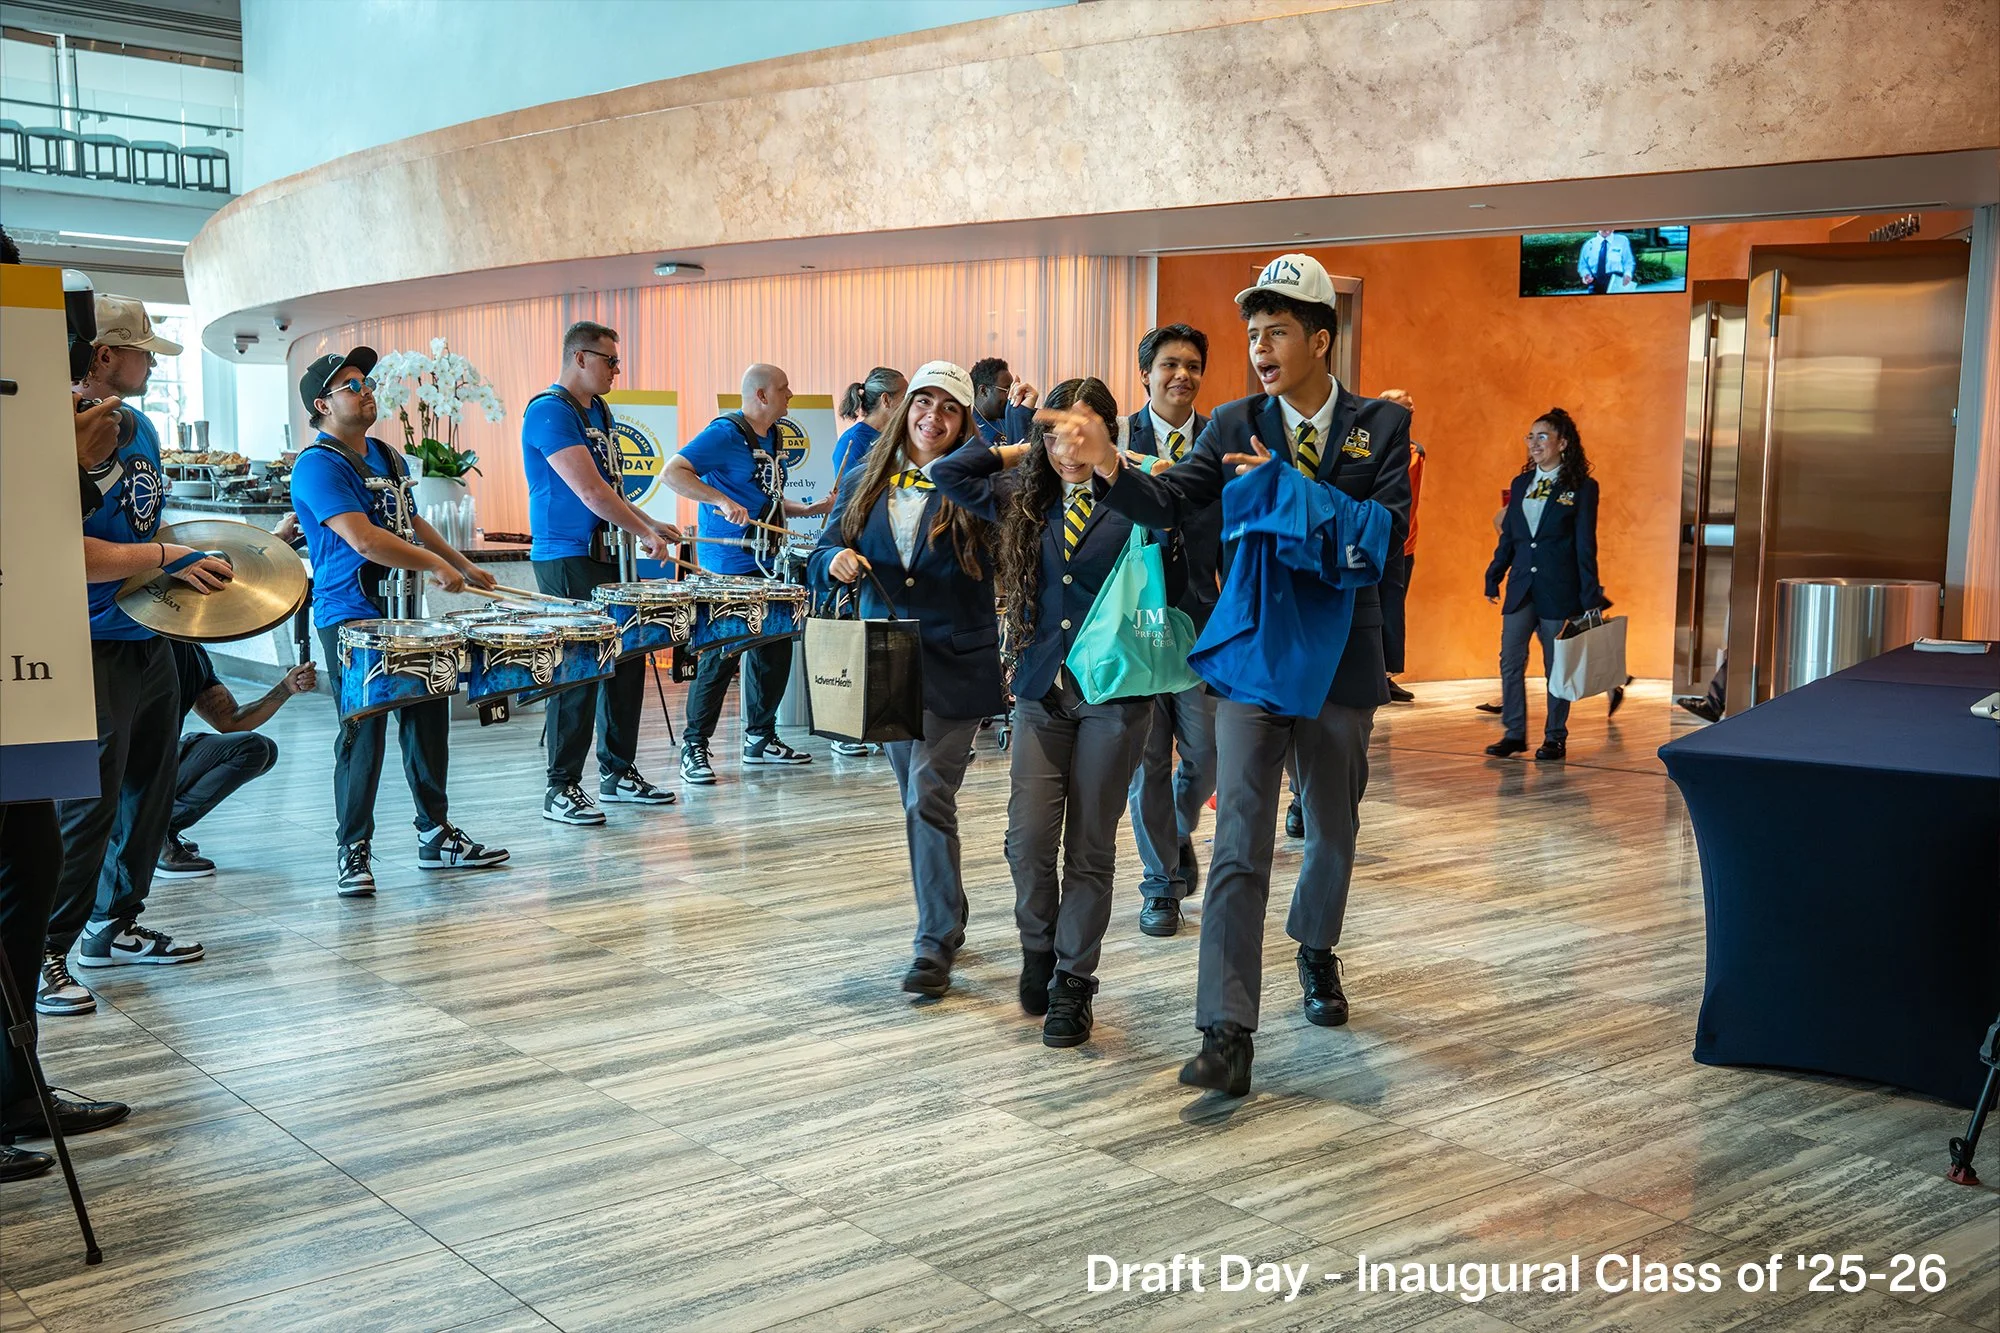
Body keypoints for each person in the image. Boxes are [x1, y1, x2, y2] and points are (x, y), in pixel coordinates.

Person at [1039, 254, 1408, 1097]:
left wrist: (1280, 489)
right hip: (1249, 654)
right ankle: (1225, 1030)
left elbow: (1380, 536)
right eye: (1252, 334)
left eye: (1276, 331)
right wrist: (1110, 469)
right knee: (1240, 839)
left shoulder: (1380, 428)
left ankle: (1315, 948)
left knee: (1331, 831)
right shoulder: (1231, 422)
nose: (1260, 348)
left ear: (1321, 336)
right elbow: (1173, 505)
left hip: (1345, 658)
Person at [933, 378, 1176, 1046]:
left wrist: (1110, 462)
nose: (1068, 445)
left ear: (1106, 432)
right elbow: (946, 470)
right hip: (1042, 690)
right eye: (1056, 432)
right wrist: (1022, 448)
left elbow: (1173, 515)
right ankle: (1039, 946)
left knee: (1090, 847)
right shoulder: (1022, 495)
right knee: (1028, 840)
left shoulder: (1135, 495)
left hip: (1116, 695)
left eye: (1083, 429)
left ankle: (1074, 980)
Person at [46, 295, 232, 1005]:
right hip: (87, 640)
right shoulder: (56, 428)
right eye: (143, 351)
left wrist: (184, 557)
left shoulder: (143, 427)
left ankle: (112, 923)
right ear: (103, 355)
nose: (152, 363)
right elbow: (68, 549)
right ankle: (45, 951)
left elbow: (142, 519)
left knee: (147, 794)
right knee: (83, 807)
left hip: (147, 634)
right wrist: (165, 554)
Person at [810, 362, 1003, 1000]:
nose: (932, 417)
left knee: (927, 792)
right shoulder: (866, 474)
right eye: (923, 403)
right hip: (886, 655)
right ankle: (949, 908)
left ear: (963, 421)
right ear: (902, 410)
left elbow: (1010, 546)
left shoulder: (980, 483)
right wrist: (832, 558)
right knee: (917, 800)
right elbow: (820, 546)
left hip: (956, 657)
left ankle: (935, 939)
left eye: (949, 408)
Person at [2, 260, 135, 1174]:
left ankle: (16, 1093)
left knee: (32, 859)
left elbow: (31, 518)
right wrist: (70, 460)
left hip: (24, 668)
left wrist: (68, 461)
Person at [290, 347, 509, 897]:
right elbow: (363, 537)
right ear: (323, 404)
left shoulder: (388, 456)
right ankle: (353, 849)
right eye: (351, 385)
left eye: (366, 381)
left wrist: (461, 563)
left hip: (406, 612)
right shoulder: (317, 465)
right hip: (352, 617)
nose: (366, 390)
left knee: (428, 721)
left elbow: (410, 523)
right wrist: (437, 565)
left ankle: (435, 835)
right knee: (363, 733)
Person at [522, 320, 683, 825]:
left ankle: (618, 770)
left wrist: (649, 523)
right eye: (611, 360)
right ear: (580, 358)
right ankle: (562, 786)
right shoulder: (549, 411)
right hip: (568, 557)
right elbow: (587, 491)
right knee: (578, 666)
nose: (617, 369)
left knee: (628, 658)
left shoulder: (600, 410)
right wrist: (646, 532)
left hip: (612, 553)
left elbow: (611, 487)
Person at [663, 364, 833, 784]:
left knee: (774, 651)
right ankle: (695, 747)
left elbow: (764, 500)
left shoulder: (774, 436)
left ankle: (759, 738)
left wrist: (809, 510)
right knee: (722, 657)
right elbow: (672, 473)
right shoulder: (724, 433)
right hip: (730, 567)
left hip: (768, 562)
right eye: (783, 388)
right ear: (760, 395)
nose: (791, 395)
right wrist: (719, 500)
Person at [1116, 324, 1217, 939]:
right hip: (1134, 625)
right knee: (1147, 760)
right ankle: (1160, 885)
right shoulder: (1117, 439)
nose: (1183, 375)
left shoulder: (1221, 438)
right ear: (1146, 375)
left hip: (1204, 623)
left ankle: (1178, 831)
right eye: (1171, 365)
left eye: (1194, 365)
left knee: (1208, 757)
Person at [1483, 408, 1611, 762]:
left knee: (1557, 666)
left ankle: (1554, 736)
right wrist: (1494, 574)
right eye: (1530, 436)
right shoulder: (1521, 483)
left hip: (1561, 589)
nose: (1534, 443)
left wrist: (1590, 596)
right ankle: (1513, 732)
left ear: (1562, 443)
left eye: (1542, 437)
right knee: (1510, 659)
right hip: (1521, 587)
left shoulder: (1583, 488)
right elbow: (1510, 536)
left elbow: (1586, 544)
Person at [147, 646, 317, 884]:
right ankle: (144, 834)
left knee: (257, 749)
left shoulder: (191, 652)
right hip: (124, 764)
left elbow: (230, 721)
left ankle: (155, 829)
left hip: (163, 756)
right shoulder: (135, 642)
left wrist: (286, 688)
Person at [1379, 388, 1423, 703]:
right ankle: (1371, 674)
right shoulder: (1371, 450)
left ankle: (1386, 675)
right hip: (1374, 543)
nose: (1409, 413)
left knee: (1393, 610)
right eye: (1402, 409)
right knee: (1372, 609)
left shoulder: (1414, 451)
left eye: (1410, 409)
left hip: (1404, 544)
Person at [832, 367, 906, 481]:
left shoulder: (900, 435)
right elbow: (846, 494)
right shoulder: (852, 441)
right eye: (905, 397)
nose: (911, 403)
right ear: (886, 400)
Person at [1578, 228, 1636, 295]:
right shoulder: (1588, 245)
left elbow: (1628, 261)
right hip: (1595, 284)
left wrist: (1627, 274)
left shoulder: (1622, 241)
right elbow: (1583, 266)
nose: (1608, 229)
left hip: (1616, 282)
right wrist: (1586, 275)